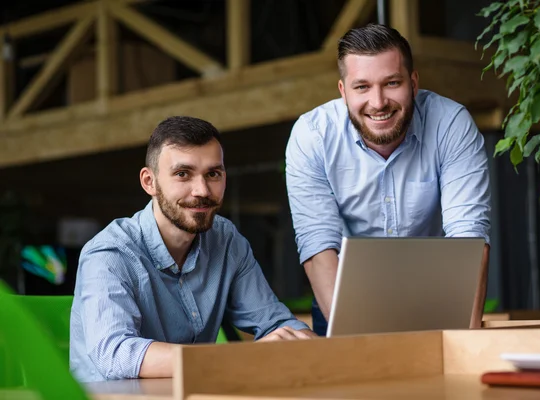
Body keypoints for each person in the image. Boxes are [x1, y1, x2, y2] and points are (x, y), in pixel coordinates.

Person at [70, 116, 315, 382]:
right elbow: (115, 354)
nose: (202, 190)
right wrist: (236, 357)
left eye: (213, 174)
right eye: (182, 174)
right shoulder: (110, 253)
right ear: (149, 182)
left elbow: (275, 323)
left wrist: (307, 341)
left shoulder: (226, 240)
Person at [285, 24, 491, 336]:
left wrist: (467, 343)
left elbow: (469, 238)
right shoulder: (312, 135)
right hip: (345, 296)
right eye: (362, 87)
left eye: (392, 83)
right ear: (343, 91)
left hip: (437, 296)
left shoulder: (451, 124)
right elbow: (317, 244)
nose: (379, 102)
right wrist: (355, 345)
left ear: (413, 82)